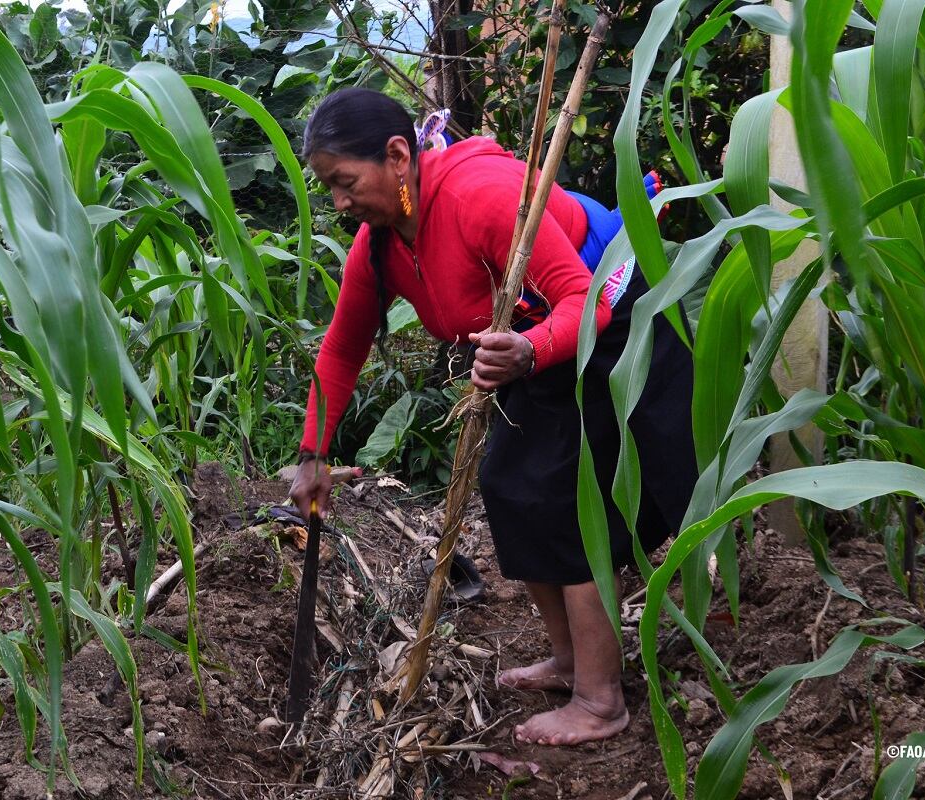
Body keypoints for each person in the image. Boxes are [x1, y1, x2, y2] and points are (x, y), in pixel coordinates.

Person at [289, 87, 698, 746]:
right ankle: (569, 664)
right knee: (511, 485)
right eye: (328, 188)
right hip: (538, 350)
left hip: (616, 322)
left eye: (344, 182)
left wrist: (530, 350)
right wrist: (313, 455)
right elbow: (341, 350)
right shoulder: (381, 242)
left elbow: (581, 304)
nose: (339, 202)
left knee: (567, 504)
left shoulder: (480, 197)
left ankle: (600, 701)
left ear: (397, 156)